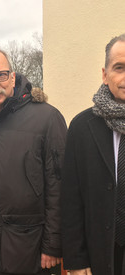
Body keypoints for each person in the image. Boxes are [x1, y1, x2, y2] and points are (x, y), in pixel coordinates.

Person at [0, 47, 67, 275]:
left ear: (13, 77)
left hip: (26, 251)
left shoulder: (46, 118)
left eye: (1, 75)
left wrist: (53, 244)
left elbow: (59, 186)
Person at [61, 33, 125, 275]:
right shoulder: (82, 127)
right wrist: (75, 261)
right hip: (99, 257)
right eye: (119, 67)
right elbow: (71, 200)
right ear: (105, 74)